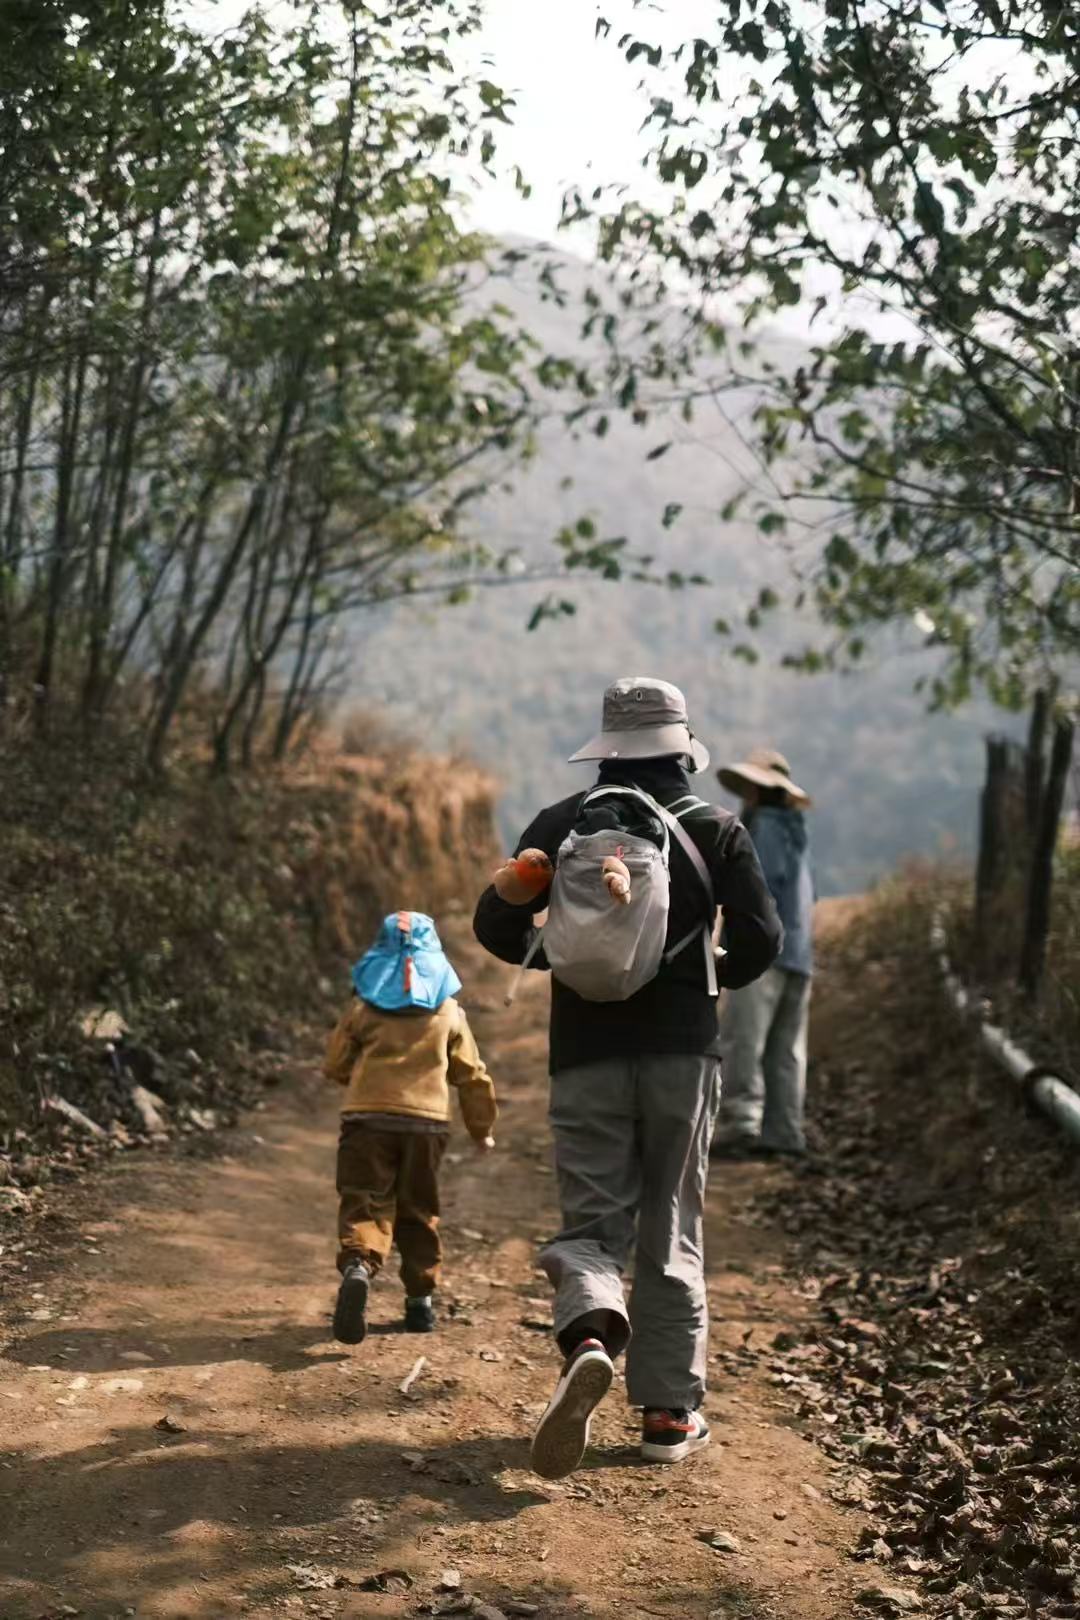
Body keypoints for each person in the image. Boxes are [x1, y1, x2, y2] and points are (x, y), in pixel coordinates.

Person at [473, 677, 782, 1479]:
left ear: (607, 747)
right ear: (682, 748)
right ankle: (668, 1415)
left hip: (584, 1050)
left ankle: (588, 1338)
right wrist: (703, 970)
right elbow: (761, 940)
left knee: (591, 1223)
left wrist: (570, 953)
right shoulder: (717, 830)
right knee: (671, 1222)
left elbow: (497, 926)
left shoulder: (561, 824)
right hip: (685, 1051)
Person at [324, 910, 497, 1344]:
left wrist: (359, 1076)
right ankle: (420, 1302)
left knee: (365, 1200)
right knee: (419, 1208)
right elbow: (472, 1075)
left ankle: (361, 1263)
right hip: (428, 1125)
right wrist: (481, 1127)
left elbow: (336, 1063)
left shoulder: (363, 1006)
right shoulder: (449, 1011)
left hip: (367, 1119)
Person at [712, 748, 814, 1161]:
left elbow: (757, 887)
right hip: (800, 954)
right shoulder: (796, 830)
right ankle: (784, 1132)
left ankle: (741, 1124)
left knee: (744, 1040)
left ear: (755, 788)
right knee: (787, 1051)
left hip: (763, 954)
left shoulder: (763, 828)